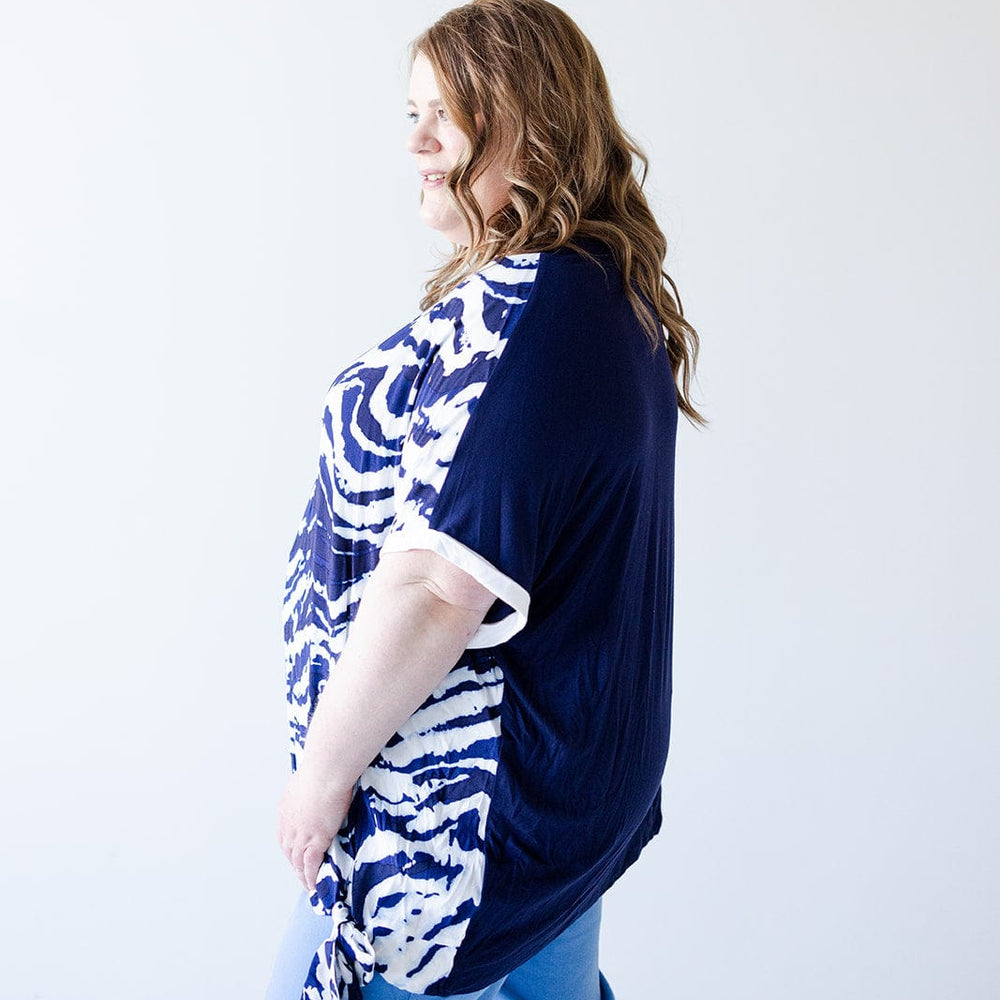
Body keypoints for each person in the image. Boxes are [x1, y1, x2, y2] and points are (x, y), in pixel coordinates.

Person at [268, 1, 705, 998]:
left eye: (448, 113)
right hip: (554, 799)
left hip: (453, 824)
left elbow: (436, 588)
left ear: (531, 119)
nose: (417, 140)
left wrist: (319, 780)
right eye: (411, 112)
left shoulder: (536, 306)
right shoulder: (605, 295)